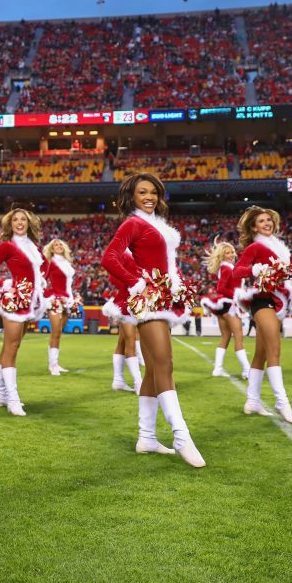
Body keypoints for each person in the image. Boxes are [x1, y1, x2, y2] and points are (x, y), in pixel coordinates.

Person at [102, 173, 205, 467]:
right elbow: (110, 257)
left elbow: (168, 266)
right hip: (148, 303)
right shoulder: (133, 223)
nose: (149, 197)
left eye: (154, 193)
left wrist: (180, 285)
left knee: (152, 371)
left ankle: (146, 436)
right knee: (164, 365)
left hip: (163, 299)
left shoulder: (158, 225)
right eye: (142, 192)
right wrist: (136, 282)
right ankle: (182, 436)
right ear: (132, 197)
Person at [231, 206, 292, 423]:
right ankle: (282, 401)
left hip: (278, 300)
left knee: (261, 353)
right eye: (261, 221)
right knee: (274, 348)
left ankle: (252, 400)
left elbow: (289, 276)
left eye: (269, 219)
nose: (267, 223)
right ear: (254, 227)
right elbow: (237, 271)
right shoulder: (255, 247)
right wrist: (256, 270)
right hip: (261, 300)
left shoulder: (282, 249)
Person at [0, 207, 46, 416]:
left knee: (12, 347)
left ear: (28, 223)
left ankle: (1, 394)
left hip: (29, 302)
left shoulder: (33, 247)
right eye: (15, 220)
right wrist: (5, 286)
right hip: (14, 302)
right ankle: (13, 400)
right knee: (12, 347)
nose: (19, 222)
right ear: (10, 224)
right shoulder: (7, 246)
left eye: (23, 219)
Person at [201, 240, 251, 379]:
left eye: (231, 252)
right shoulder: (226, 268)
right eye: (227, 253)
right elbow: (221, 288)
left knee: (225, 337)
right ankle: (247, 370)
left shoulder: (228, 267)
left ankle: (218, 368)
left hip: (224, 306)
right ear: (222, 256)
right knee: (239, 337)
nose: (231, 255)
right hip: (230, 305)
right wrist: (237, 296)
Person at [101, 249, 144, 393]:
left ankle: (118, 380)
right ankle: (139, 383)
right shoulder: (124, 254)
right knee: (131, 340)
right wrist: (131, 283)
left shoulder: (142, 254)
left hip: (140, 302)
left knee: (122, 342)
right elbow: (113, 278)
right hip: (126, 303)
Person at [41, 238, 81, 376]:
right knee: (55, 331)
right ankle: (52, 366)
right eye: (55, 245)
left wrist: (71, 299)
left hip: (66, 300)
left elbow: (68, 284)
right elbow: (42, 281)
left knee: (59, 333)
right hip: (55, 300)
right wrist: (49, 297)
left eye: (60, 244)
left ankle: (55, 363)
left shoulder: (67, 263)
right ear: (51, 249)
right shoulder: (50, 263)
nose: (58, 246)